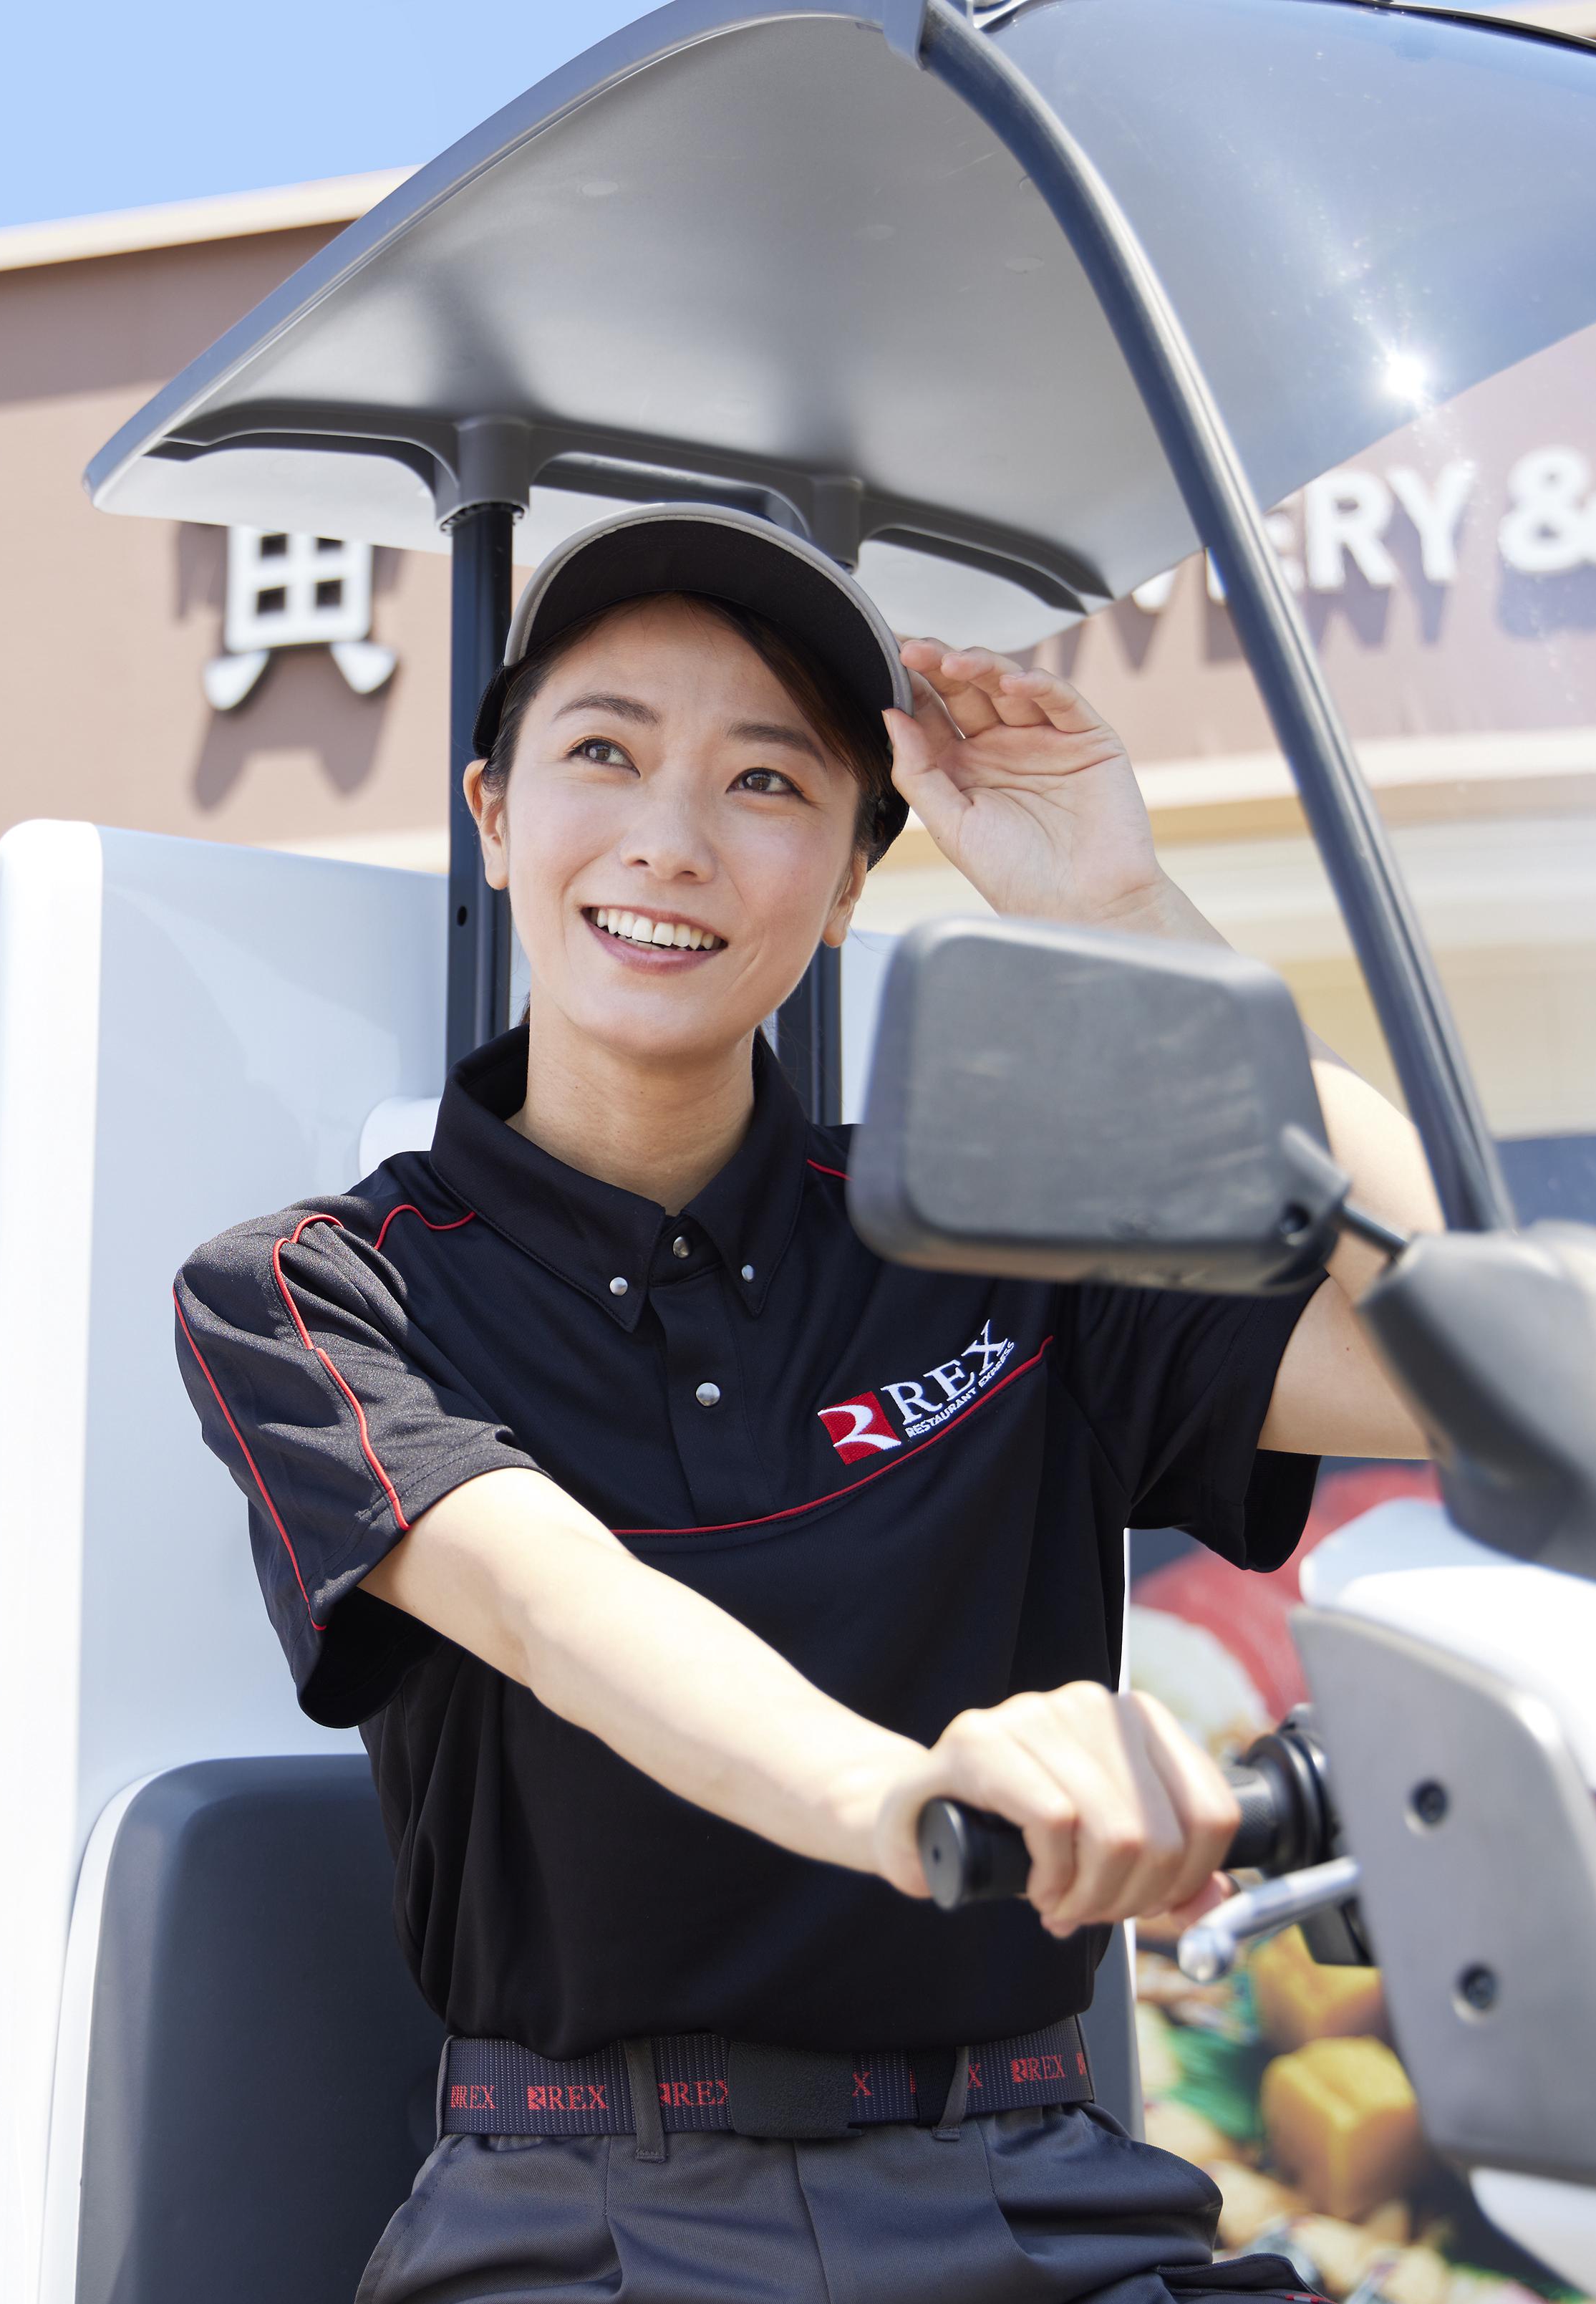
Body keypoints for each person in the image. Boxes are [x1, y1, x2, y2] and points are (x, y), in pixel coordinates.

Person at [169, 504, 1438, 2304]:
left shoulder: (1006, 1232)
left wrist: (1122, 917)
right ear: (496, 814)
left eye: (769, 785)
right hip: (583, 2226)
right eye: (603, 752)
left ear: (852, 879)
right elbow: (560, 1609)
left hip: (1045, 2204)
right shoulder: (320, 1288)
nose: (671, 840)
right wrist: (922, 1799)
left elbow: (1454, 1341)